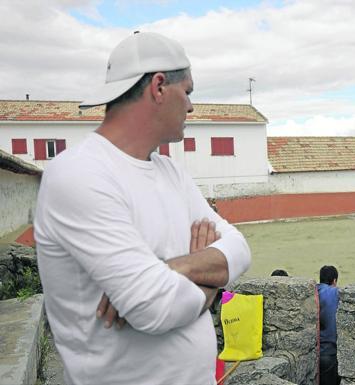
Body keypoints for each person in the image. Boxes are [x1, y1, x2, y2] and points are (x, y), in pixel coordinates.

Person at [34, 31, 251, 385]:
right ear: (160, 87)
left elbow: (239, 249)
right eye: (189, 91)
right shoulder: (78, 174)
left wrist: (170, 268)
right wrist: (209, 284)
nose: (192, 106)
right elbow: (154, 307)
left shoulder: (171, 173)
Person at [317, 265, 340, 385]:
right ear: (334, 281)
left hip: (311, 351)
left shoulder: (313, 290)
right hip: (330, 352)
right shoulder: (336, 292)